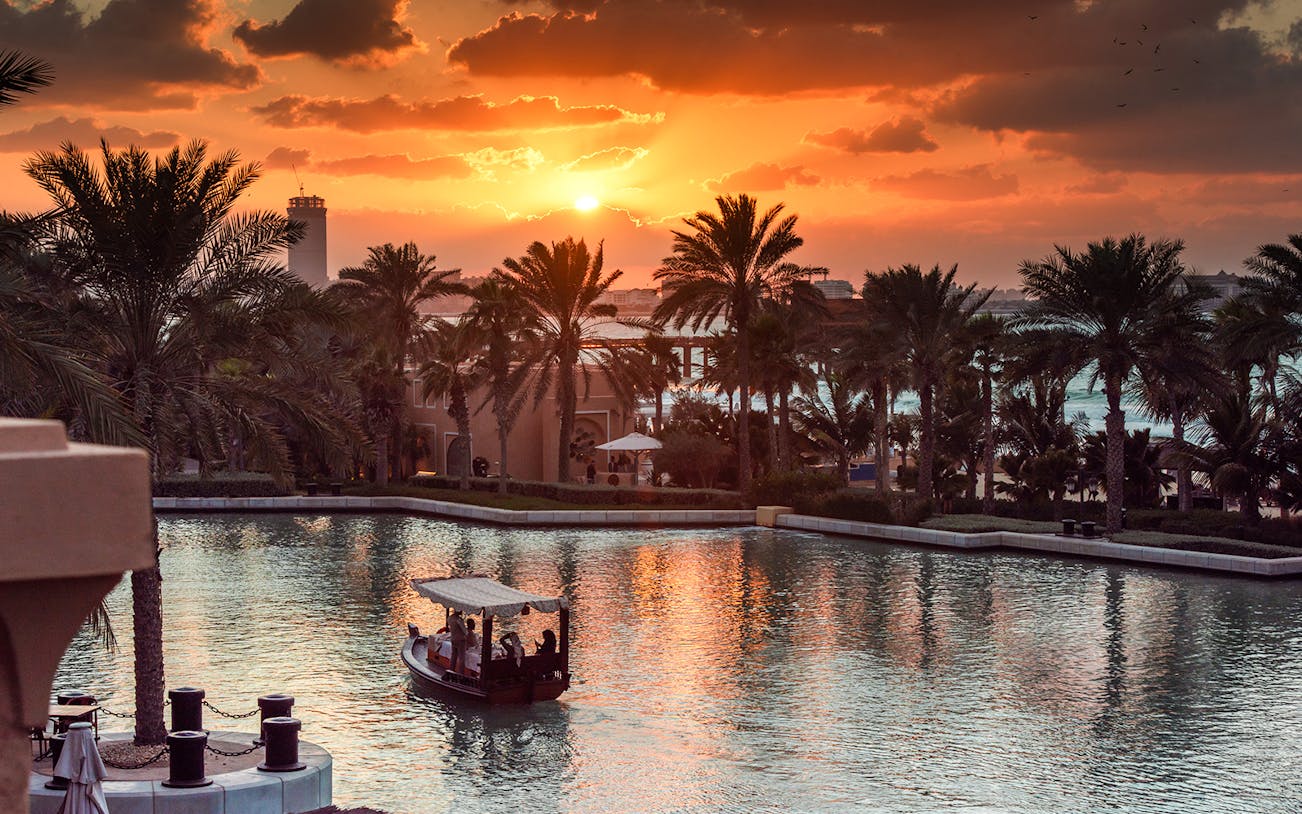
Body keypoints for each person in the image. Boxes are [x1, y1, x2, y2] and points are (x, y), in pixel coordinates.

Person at [447, 609, 468, 674]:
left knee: (453, 655)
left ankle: (451, 670)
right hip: (460, 640)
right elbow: (465, 631)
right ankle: (460, 674)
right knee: (461, 657)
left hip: (453, 638)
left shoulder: (449, 618)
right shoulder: (459, 620)